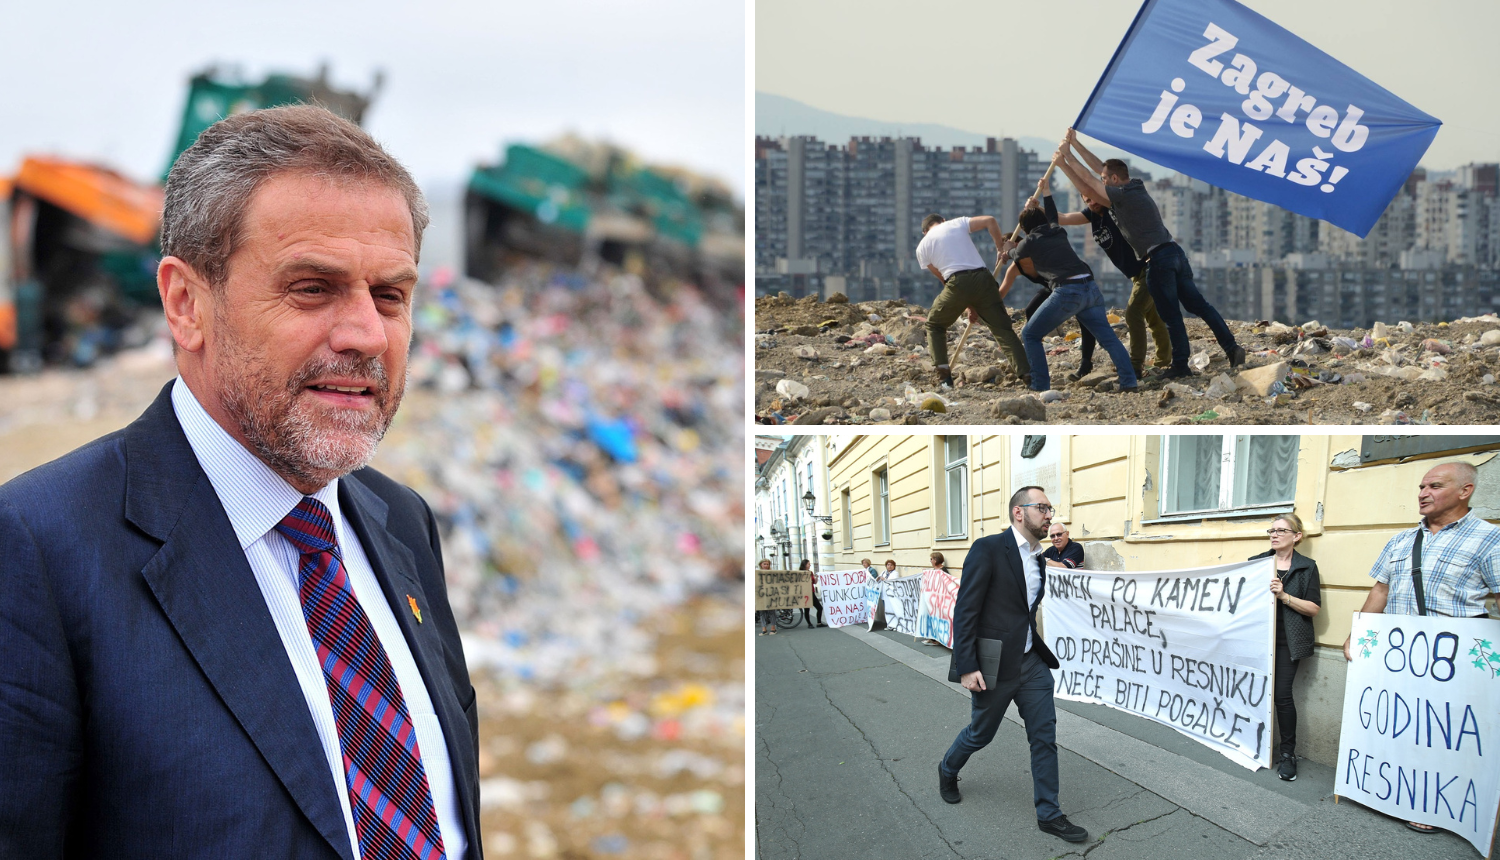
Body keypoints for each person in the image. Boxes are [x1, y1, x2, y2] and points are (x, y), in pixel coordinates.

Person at [0, 106, 479, 859]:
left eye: (390, 296)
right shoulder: (39, 550)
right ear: (186, 304)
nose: (365, 334)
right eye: (312, 288)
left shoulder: (401, 522)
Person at [1342, 461, 1500, 832]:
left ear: (1465, 491)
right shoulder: (1400, 540)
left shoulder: (1489, 539)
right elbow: (1380, 589)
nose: (1423, 493)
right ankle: (1392, 791)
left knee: (1443, 732)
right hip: (1399, 657)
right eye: (1421, 486)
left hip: (1453, 661)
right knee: (1400, 723)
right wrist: (1357, 635)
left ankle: (1433, 807)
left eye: (1434, 486)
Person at [939, 486, 1088, 844]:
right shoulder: (988, 548)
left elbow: (1025, 609)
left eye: (1050, 508)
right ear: (1019, 512)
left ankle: (1049, 814)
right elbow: (966, 609)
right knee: (981, 733)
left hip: (1031, 663)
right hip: (994, 664)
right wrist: (967, 665)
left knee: (1044, 736)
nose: (1049, 515)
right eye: (1043, 508)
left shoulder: (1040, 557)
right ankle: (947, 768)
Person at [1053, 130, 1245, 379]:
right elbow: (1098, 172)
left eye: (1105, 179)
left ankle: (1179, 365)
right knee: (1200, 306)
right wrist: (1074, 147)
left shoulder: (1121, 197)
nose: (1101, 183)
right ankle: (1232, 348)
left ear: (1113, 180)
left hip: (1158, 261)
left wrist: (1065, 160)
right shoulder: (1134, 187)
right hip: (1175, 253)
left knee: (1171, 317)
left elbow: (1090, 183)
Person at [1000, 176, 1137, 393]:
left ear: (1025, 230)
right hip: (1090, 287)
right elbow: (1053, 214)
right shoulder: (1057, 230)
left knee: (1030, 335)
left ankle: (1039, 385)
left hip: (1068, 291)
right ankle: (1129, 382)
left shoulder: (1029, 242)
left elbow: (1013, 253)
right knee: (1108, 338)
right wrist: (1046, 192)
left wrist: (1006, 249)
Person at [1047, 185, 1172, 377]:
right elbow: (1062, 218)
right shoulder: (1092, 215)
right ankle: (1164, 360)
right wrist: (1041, 204)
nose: (1092, 202)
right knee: (1152, 316)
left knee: (1133, 313)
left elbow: (1096, 187)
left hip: (1149, 267)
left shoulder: (1114, 209)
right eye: (1087, 200)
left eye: (1093, 198)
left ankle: (1135, 365)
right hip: (1136, 274)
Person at [915, 212, 1030, 389]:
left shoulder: (922, 247)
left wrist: (968, 305)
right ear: (943, 221)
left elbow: (945, 281)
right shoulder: (955, 223)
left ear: (925, 232)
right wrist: (1001, 249)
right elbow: (990, 221)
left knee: (934, 325)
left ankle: (944, 378)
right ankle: (1028, 375)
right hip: (984, 278)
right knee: (1003, 330)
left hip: (957, 282)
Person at [1247, 513, 1321, 782]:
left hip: (1286, 643)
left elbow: (1313, 609)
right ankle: (1249, 741)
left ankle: (1288, 754)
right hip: (1257, 639)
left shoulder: (1306, 567)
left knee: (1281, 696)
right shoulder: (1257, 564)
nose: (1274, 535)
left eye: (1281, 530)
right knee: (1251, 691)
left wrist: (1284, 596)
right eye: (1271, 531)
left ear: (1297, 536)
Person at [799, 558, 827, 628]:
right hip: (805, 593)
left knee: (819, 608)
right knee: (807, 609)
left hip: (811, 592)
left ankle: (819, 622)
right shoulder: (800, 573)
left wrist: (816, 577)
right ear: (805, 565)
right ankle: (809, 624)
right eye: (808, 564)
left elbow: (814, 582)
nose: (810, 565)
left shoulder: (810, 572)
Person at [757, 558, 778, 635]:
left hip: (770, 595)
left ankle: (773, 628)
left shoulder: (772, 573)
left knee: (771, 612)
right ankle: (764, 629)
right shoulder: (757, 573)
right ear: (761, 565)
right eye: (764, 564)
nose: (766, 566)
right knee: (762, 613)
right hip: (761, 596)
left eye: (767, 564)